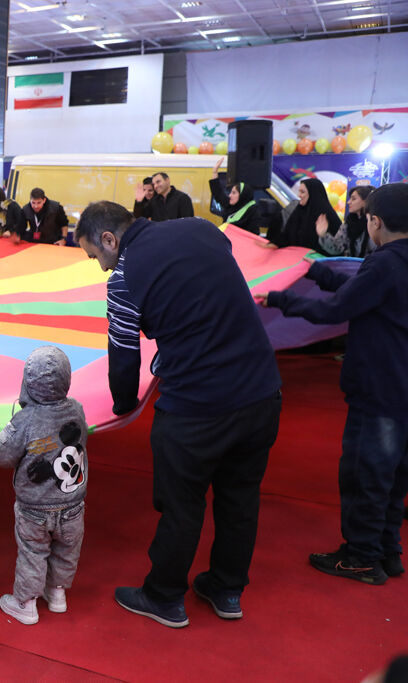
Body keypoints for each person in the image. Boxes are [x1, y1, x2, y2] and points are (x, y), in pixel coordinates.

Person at [75, 200, 282, 628]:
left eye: (95, 256)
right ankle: (227, 589)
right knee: (240, 498)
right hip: (262, 392)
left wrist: (122, 406)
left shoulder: (123, 279)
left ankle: (164, 596)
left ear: (109, 239)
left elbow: (124, 355)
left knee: (181, 503)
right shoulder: (201, 229)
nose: (100, 267)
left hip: (196, 407)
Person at [257, 183, 408, 585]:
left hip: (379, 388)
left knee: (365, 474)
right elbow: (362, 294)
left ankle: (361, 557)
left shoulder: (384, 263)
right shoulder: (393, 264)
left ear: (375, 222)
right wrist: (316, 270)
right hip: (401, 387)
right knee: (394, 476)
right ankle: (387, 551)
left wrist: (281, 300)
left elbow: (338, 310)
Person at [0, 346, 88, 625]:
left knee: (33, 553)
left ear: (28, 383)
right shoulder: (76, 409)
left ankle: (26, 604)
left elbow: (3, 455)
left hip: (34, 509)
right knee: (66, 551)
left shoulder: (24, 420)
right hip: (72, 505)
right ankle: (57, 594)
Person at [268, 178, 340, 251]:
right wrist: (273, 244)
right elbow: (286, 235)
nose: (299, 195)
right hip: (295, 256)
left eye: (302, 192)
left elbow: (337, 247)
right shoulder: (298, 211)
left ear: (313, 194)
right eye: (299, 192)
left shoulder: (327, 215)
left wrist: (323, 236)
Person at [317, 185, 375, 257]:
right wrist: (323, 235)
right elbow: (337, 248)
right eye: (350, 198)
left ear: (366, 201)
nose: (348, 202)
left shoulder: (374, 223)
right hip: (351, 263)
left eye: (353, 199)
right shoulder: (349, 222)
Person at [209, 159, 263, 235]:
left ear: (242, 195)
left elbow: (253, 235)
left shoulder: (252, 212)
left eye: (234, 193)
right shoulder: (230, 206)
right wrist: (215, 171)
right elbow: (218, 193)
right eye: (231, 192)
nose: (230, 195)